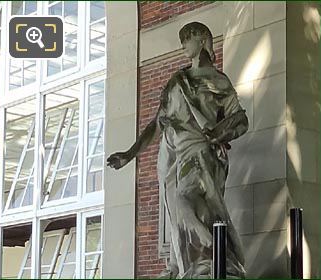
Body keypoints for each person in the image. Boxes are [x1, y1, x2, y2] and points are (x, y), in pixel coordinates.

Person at [107, 22, 249, 278]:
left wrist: (219, 133)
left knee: (196, 207)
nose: (183, 44)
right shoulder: (177, 82)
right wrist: (129, 154)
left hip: (205, 154)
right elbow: (157, 123)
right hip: (178, 156)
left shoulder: (217, 80)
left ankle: (216, 259)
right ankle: (191, 265)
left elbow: (240, 119)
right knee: (180, 211)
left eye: (188, 38)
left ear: (203, 40)